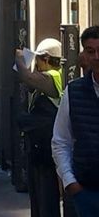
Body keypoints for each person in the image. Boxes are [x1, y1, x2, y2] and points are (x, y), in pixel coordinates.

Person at [52, 26, 99, 216]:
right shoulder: (73, 92)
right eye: (90, 51)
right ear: (84, 55)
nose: (97, 57)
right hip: (86, 191)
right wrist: (70, 182)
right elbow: (60, 141)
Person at [15, 38, 64, 217]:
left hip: (46, 148)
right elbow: (28, 85)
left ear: (45, 58)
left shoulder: (54, 76)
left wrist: (20, 58)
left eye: (38, 60)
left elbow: (27, 77)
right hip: (38, 145)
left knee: (46, 196)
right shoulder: (47, 77)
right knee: (37, 195)